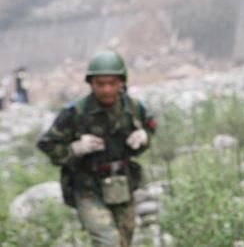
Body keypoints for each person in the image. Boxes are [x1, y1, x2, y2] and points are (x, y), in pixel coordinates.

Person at [38, 50, 156, 247]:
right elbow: (48, 145)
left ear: (121, 83)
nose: (107, 89)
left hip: (123, 184)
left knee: (124, 241)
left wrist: (144, 136)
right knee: (108, 242)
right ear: (91, 84)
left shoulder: (134, 108)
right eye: (100, 84)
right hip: (87, 187)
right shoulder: (75, 113)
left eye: (112, 83)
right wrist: (75, 149)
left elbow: (151, 125)